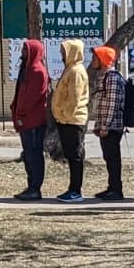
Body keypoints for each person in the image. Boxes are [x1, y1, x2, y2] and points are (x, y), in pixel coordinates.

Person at [10, 38, 50, 200]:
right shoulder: (26, 70)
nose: (22, 53)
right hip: (24, 121)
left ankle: (35, 188)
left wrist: (20, 113)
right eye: (22, 50)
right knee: (27, 155)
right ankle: (30, 186)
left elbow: (31, 98)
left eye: (26, 50)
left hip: (33, 121)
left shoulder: (38, 71)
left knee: (34, 154)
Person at [51, 38, 89, 203]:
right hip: (66, 120)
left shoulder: (76, 71)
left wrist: (64, 115)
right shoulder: (70, 69)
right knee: (71, 155)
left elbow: (74, 98)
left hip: (73, 120)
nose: (61, 54)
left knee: (75, 156)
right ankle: (72, 189)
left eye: (64, 51)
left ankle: (76, 191)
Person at [90, 45, 126, 200]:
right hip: (105, 125)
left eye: (95, 58)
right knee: (108, 157)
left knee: (113, 158)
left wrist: (105, 125)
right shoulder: (103, 76)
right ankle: (111, 187)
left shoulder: (112, 77)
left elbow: (112, 102)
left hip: (112, 126)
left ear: (103, 60)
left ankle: (116, 189)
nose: (92, 61)